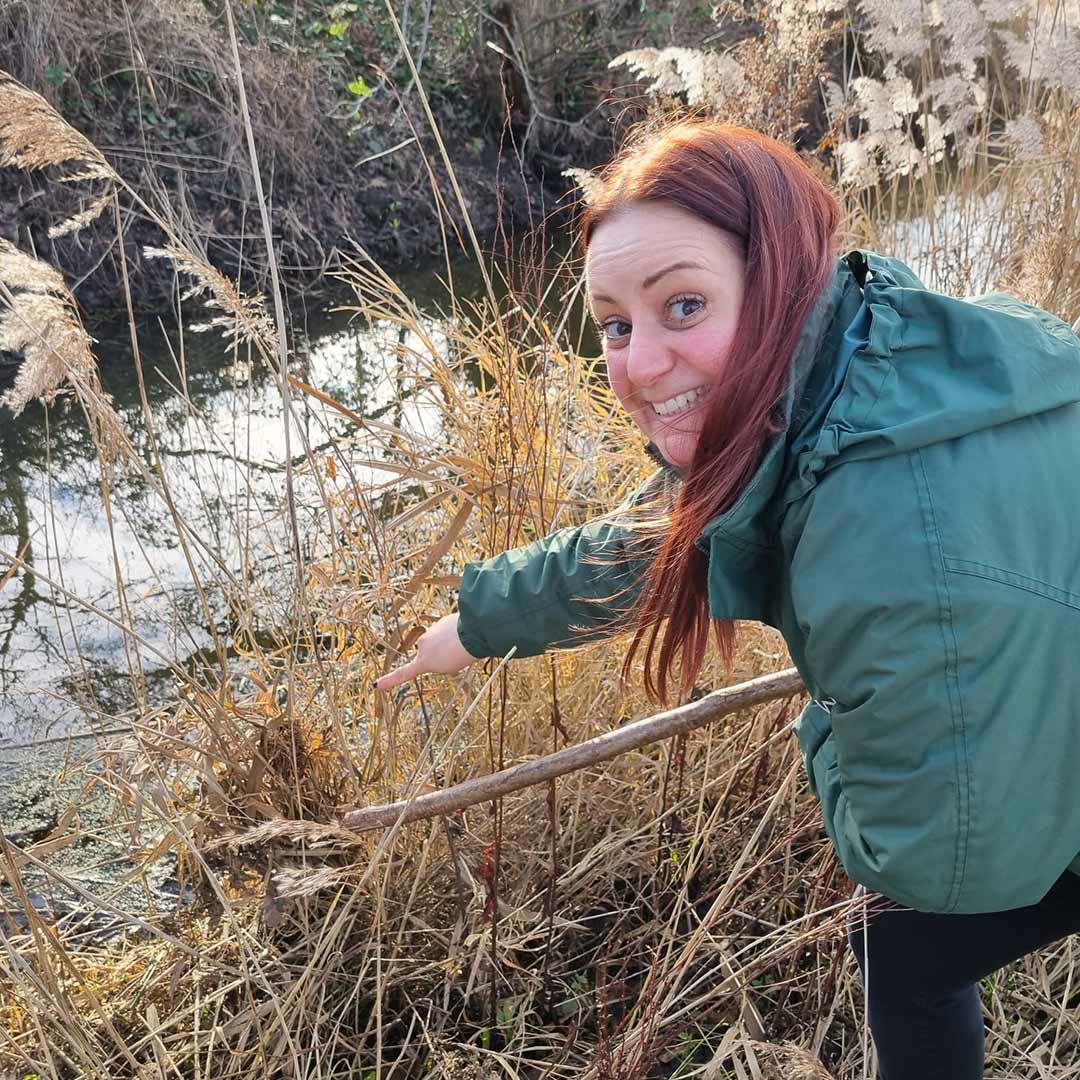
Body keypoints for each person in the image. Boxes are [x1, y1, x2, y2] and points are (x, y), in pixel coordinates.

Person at [374, 119, 1080, 1079]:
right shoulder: (877, 347)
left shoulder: (875, 550)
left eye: (684, 306)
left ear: (782, 274)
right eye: (616, 324)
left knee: (903, 947)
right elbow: (685, 532)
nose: (639, 366)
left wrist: (825, 727)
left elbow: (940, 862)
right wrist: (481, 617)